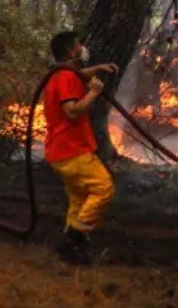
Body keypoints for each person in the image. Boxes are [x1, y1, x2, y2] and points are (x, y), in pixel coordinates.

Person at [43, 30, 118, 265]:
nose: (83, 48)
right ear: (70, 52)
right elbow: (72, 111)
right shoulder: (65, 78)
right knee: (103, 189)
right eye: (79, 45)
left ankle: (72, 245)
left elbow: (75, 78)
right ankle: (75, 238)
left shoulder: (61, 74)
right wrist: (94, 93)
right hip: (71, 150)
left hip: (61, 151)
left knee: (79, 198)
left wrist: (96, 70)